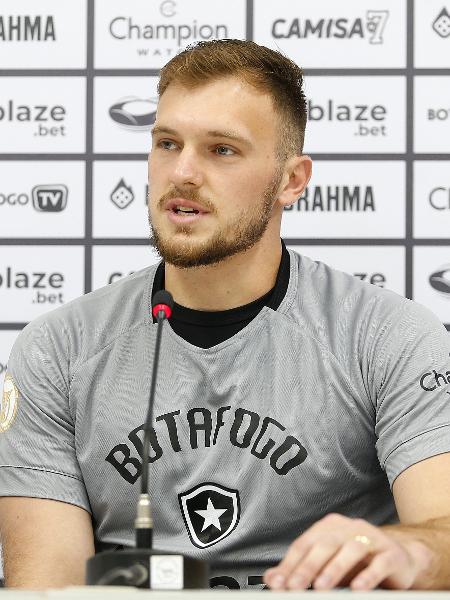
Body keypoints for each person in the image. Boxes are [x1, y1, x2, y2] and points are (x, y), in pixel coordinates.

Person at [1, 39, 450, 592]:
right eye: (167, 143)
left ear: (292, 180)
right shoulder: (58, 350)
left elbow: (443, 532)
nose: (182, 173)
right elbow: (49, 587)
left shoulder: (388, 336)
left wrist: (410, 548)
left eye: (222, 150)